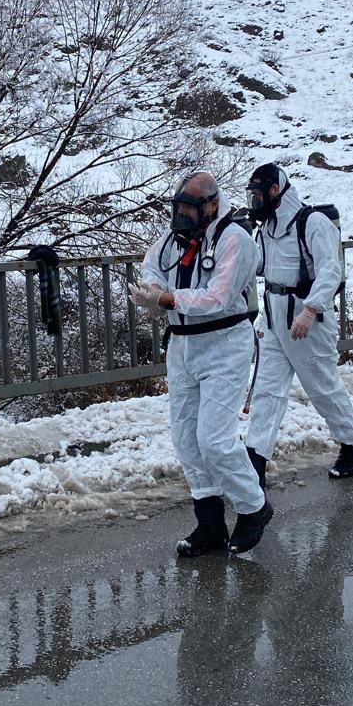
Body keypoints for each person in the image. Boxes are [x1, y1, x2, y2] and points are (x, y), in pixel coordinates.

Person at [131, 171, 274, 555]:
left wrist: (166, 299)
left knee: (214, 438)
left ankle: (253, 506)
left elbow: (218, 297)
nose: (181, 216)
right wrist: (150, 290)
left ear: (211, 204)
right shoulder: (173, 240)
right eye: (178, 208)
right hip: (183, 346)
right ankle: (209, 523)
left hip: (224, 344)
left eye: (189, 209)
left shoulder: (236, 241)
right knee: (186, 438)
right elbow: (152, 266)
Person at [243, 162, 353, 484]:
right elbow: (260, 265)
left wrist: (310, 310)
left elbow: (331, 270)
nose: (255, 202)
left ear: (275, 190)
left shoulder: (313, 223)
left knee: (322, 387)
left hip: (307, 320)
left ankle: (351, 447)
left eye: (258, 195)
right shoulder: (267, 228)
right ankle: (255, 460)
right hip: (274, 318)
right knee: (267, 391)